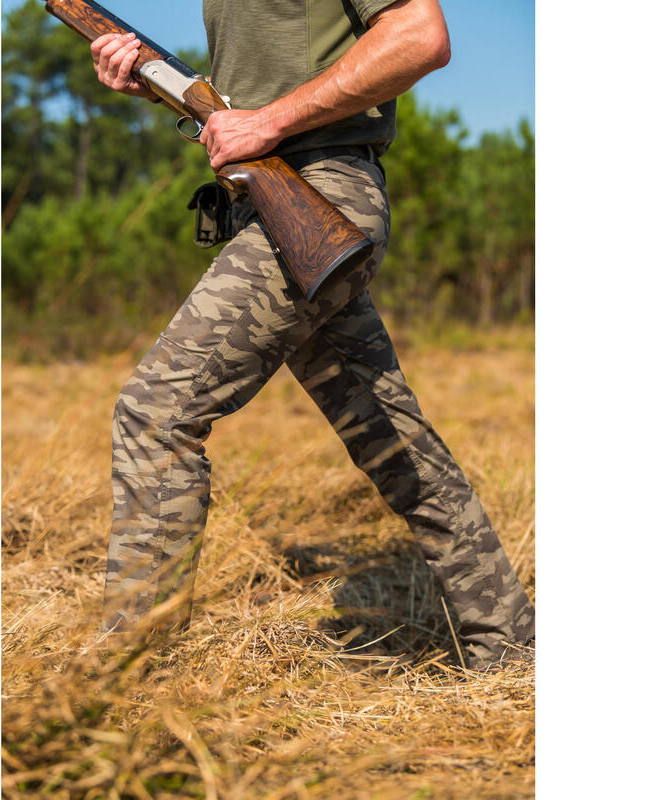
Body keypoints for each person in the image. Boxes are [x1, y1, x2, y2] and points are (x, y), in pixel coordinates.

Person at [89, 0, 534, 670]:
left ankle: (126, 677)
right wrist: (147, 79)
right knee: (396, 444)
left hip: (323, 191)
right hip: (270, 207)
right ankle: (512, 652)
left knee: (157, 413)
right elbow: (238, 109)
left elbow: (421, 36)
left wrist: (266, 122)